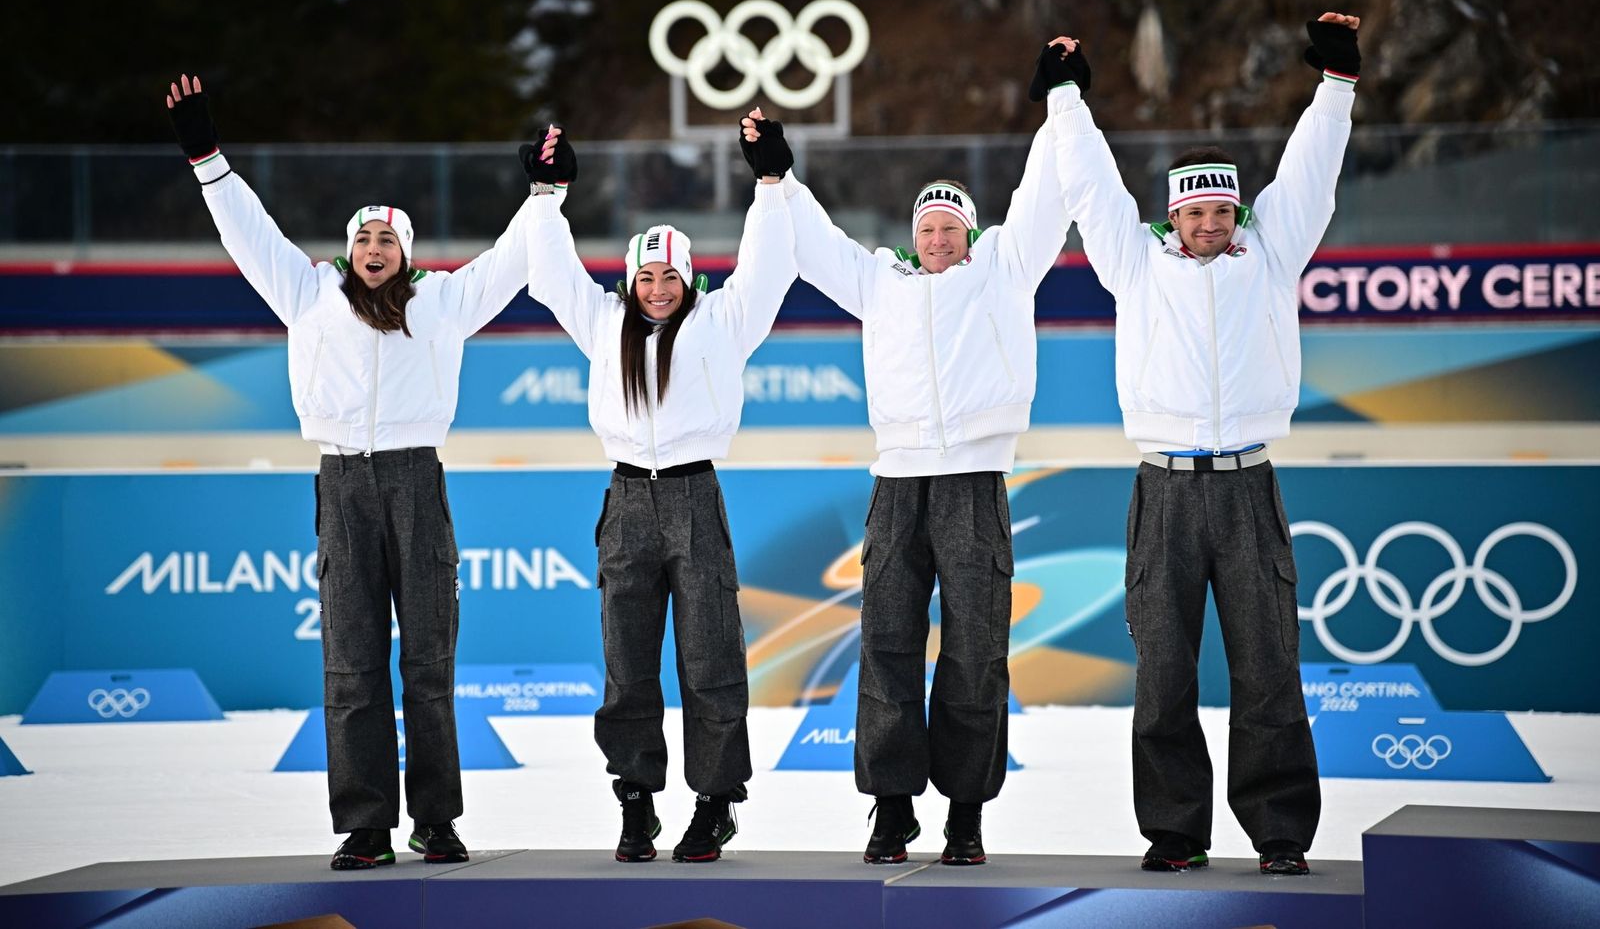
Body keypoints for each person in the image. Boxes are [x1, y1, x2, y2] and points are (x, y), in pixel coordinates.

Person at [165, 73, 531, 870]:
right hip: (341, 484)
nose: (374, 252)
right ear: (348, 248)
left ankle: (434, 820)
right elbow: (248, 233)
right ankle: (366, 825)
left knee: (428, 662)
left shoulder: (441, 303)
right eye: (364, 240)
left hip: (415, 481)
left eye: (388, 241)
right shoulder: (307, 295)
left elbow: (512, 260)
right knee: (352, 662)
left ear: (407, 251)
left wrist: (544, 192)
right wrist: (206, 157)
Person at [743, 45, 1078, 865]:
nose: (937, 240)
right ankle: (893, 809)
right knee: (888, 645)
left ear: (970, 235)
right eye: (926, 228)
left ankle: (965, 814)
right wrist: (776, 177)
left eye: (950, 229)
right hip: (896, 485)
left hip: (972, 480)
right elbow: (813, 243)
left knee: (975, 651)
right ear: (913, 235)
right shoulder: (878, 283)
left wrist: (1061, 100)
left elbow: (1042, 198)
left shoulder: (1002, 270)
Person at [1046, 14, 1362, 876]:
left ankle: (1281, 834)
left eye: (1224, 210)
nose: (1212, 224)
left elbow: (1309, 177)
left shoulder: (1272, 252)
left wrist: (1336, 87)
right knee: (1165, 675)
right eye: (1196, 212)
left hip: (1249, 486)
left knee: (1268, 670)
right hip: (1165, 491)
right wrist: (1067, 98)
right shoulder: (1135, 263)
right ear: (1174, 215)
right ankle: (1176, 833)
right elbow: (1092, 188)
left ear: (1238, 212)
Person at [518, 119, 796, 863]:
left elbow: (767, 270)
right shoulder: (603, 323)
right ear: (630, 281)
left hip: (694, 497)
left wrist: (769, 184)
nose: (658, 289)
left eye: (670, 277)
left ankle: (714, 802)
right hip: (625, 501)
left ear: (689, 280)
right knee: (628, 662)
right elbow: (549, 274)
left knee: (710, 660)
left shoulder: (723, 322)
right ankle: (635, 800)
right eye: (647, 277)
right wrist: (547, 195)